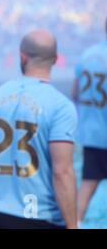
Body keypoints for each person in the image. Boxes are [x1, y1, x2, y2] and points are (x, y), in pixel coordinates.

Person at [0, 29, 78, 229]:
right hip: (39, 216)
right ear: (55, 59)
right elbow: (62, 172)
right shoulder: (61, 106)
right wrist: (73, 225)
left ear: (22, 57)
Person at [73, 18, 107, 225]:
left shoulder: (87, 55)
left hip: (91, 134)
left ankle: (73, 223)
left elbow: (75, 93)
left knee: (87, 185)